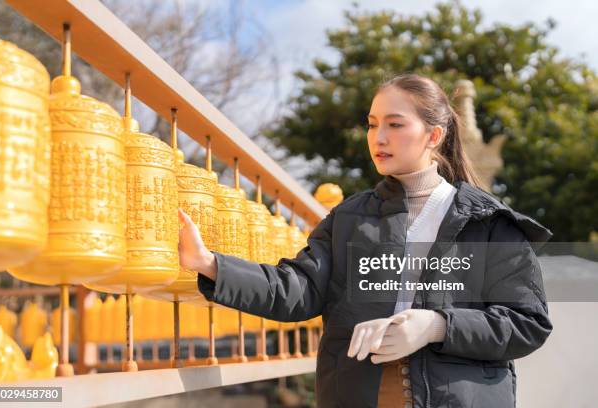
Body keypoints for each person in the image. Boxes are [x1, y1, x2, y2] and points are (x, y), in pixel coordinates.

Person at [178, 73, 553, 408]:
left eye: (394, 124)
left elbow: (527, 323)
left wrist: (435, 325)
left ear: (434, 135)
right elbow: (298, 289)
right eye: (372, 125)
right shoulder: (349, 218)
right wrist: (210, 264)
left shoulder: (490, 224)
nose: (379, 137)